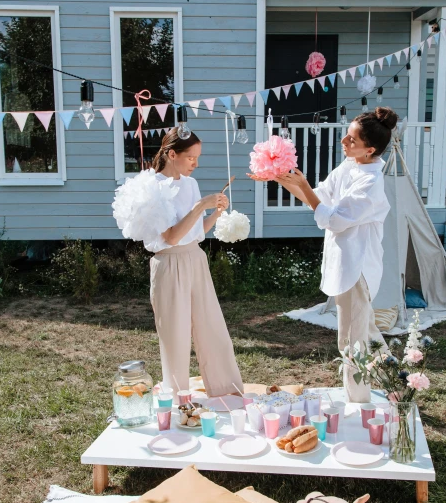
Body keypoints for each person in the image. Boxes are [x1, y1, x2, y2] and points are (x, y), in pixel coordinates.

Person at [250, 107, 398, 401]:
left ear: (370, 150)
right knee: (366, 332)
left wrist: (302, 185)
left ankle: (358, 401)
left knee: (351, 341)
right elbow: (320, 197)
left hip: (358, 269)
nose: (344, 141)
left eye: (352, 140)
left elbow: (334, 219)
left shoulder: (371, 183)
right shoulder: (349, 167)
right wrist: (279, 176)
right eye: (346, 135)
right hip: (345, 263)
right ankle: (398, 383)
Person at [147, 128, 244, 398]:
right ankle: (179, 397)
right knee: (175, 336)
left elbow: (194, 232)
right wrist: (201, 205)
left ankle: (226, 390)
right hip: (169, 263)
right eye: (191, 157)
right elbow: (171, 236)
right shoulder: (154, 188)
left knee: (211, 325)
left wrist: (214, 213)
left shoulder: (190, 184)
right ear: (171, 154)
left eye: (198, 157)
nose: (196, 163)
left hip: (195, 258)